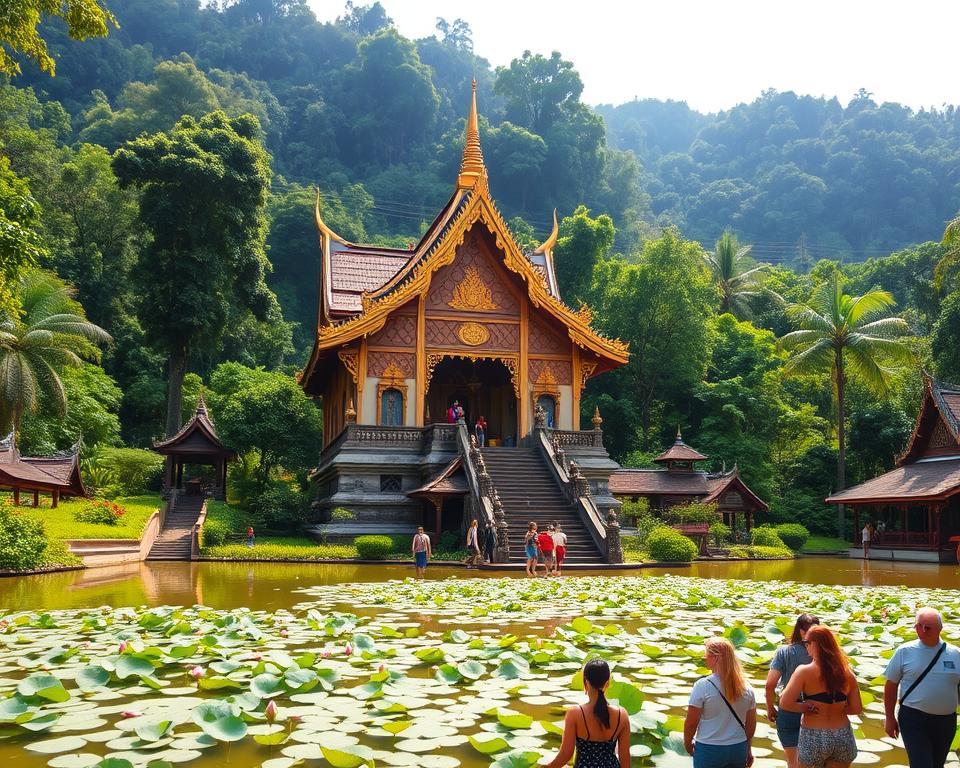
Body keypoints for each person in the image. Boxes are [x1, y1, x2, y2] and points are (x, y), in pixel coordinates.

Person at [884, 607, 960, 768]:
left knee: (937, 764)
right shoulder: (904, 651)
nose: (923, 630)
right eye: (919, 626)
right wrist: (889, 718)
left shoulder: (955, 654)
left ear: (940, 629)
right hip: (913, 718)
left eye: (928, 627)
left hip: (946, 720)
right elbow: (891, 685)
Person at [779, 625, 862, 768]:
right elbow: (856, 708)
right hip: (842, 734)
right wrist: (838, 708)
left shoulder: (804, 672)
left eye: (806, 643)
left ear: (814, 645)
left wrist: (805, 707)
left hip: (814, 735)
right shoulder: (848, 673)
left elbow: (785, 703)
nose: (806, 647)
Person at [684, 637, 757, 768]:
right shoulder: (746, 687)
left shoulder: (702, 686)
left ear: (716, 658)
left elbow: (691, 723)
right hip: (738, 748)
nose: (704, 658)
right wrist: (748, 749)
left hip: (709, 749)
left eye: (706, 654)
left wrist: (687, 744)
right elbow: (751, 725)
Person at [544, 659, 630, 768]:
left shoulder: (575, 714)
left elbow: (566, 755)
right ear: (607, 683)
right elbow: (625, 759)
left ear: (585, 682)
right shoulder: (622, 715)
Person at [765, 614, 820, 768]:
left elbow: (770, 685)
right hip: (816, 710)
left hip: (788, 709)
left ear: (800, 630)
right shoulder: (825, 654)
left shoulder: (784, 652)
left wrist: (770, 708)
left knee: (793, 763)